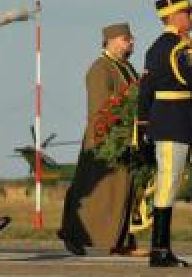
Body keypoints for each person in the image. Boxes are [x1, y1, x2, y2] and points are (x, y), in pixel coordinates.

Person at [59, 23, 144, 256]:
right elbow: (100, 109)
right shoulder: (100, 69)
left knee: (122, 192)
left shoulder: (126, 67)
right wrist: (113, 134)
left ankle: (122, 241)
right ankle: (72, 234)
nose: (131, 43)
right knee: (91, 193)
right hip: (103, 139)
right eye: (127, 39)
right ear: (113, 40)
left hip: (125, 138)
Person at [137, 0, 192, 267]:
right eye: (188, 13)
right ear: (175, 16)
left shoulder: (156, 47)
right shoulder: (179, 48)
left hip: (177, 122)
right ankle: (160, 250)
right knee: (168, 184)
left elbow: (144, 90)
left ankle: (161, 249)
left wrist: (142, 124)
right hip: (174, 122)